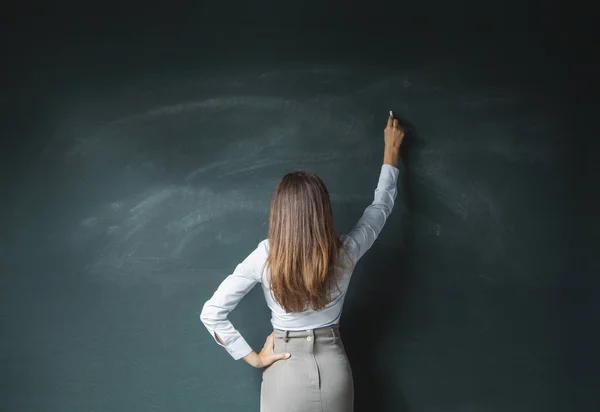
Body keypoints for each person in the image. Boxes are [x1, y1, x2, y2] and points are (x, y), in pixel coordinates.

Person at [200, 112, 404, 412]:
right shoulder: (345, 250)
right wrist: (391, 152)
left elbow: (212, 313)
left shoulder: (266, 256)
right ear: (323, 211)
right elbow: (381, 205)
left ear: (280, 214)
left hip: (283, 370)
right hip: (334, 370)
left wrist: (253, 357)